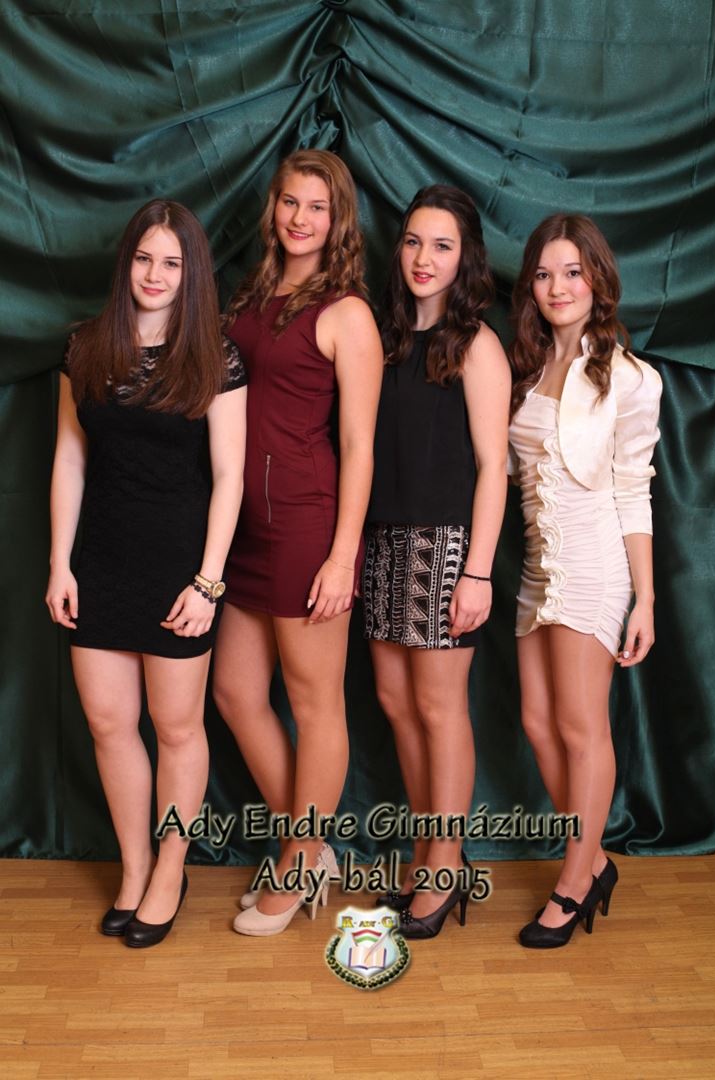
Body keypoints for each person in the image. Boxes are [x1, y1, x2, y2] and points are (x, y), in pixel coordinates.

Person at [46, 199, 247, 948]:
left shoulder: (216, 356)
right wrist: (60, 564)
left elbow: (229, 477)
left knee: (176, 727)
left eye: (172, 262)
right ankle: (134, 869)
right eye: (144, 258)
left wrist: (208, 582)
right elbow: (70, 460)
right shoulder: (85, 347)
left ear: (192, 273)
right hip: (100, 561)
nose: (155, 274)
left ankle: (170, 869)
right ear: (125, 262)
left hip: (179, 568)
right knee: (109, 723)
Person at [213, 149, 383, 936]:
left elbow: (360, 444)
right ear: (273, 207)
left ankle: (298, 859)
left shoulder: (347, 313)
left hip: (307, 526)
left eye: (317, 206)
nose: (300, 217)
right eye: (290, 201)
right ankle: (309, 847)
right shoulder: (253, 293)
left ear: (337, 218)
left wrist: (343, 555)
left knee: (315, 706)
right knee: (235, 694)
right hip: (243, 525)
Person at [508, 213, 662, 948]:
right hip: (538, 565)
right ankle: (595, 859)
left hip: (596, 564)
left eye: (572, 272)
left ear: (597, 279)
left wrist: (646, 598)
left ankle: (573, 883)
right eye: (544, 274)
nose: (558, 287)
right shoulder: (526, 365)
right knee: (539, 723)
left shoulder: (630, 379)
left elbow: (635, 489)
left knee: (580, 727)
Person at [363, 184, 511, 939]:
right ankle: (429, 855)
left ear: (465, 258)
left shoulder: (475, 343)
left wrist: (477, 571)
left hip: (445, 545)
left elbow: (494, 468)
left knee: (438, 707)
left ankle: (445, 869)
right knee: (395, 702)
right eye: (415, 242)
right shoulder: (386, 338)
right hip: (382, 539)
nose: (424, 258)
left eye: (443, 245)